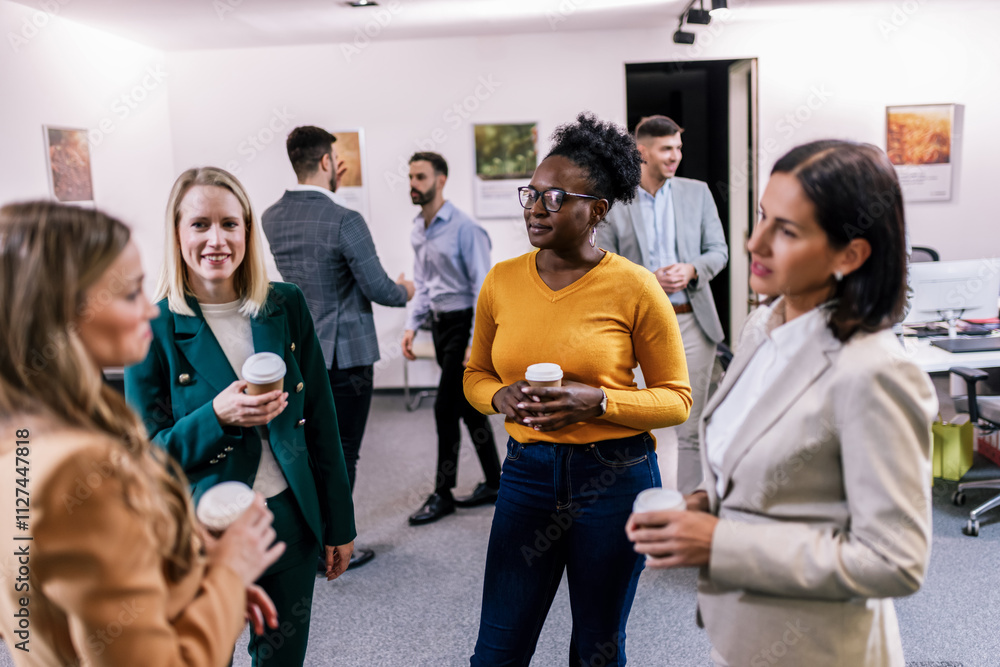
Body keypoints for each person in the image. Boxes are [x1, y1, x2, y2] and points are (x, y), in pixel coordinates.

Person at [626, 140, 937, 667]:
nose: (755, 242)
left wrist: (721, 543)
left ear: (851, 254)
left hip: (821, 646)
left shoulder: (875, 370)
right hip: (744, 631)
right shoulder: (762, 327)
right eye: (763, 217)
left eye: (787, 230)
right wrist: (705, 502)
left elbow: (895, 561)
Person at [0, 201, 284, 666]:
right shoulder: (76, 468)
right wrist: (231, 572)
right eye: (131, 293)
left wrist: (201, 583)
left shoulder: (26, 435)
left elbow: (47, 609)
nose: (148, 312)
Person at [464, 113, 693, 666]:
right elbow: (475, 376)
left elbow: (676, 399)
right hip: (526, 476)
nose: (535, 209)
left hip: (613, 477)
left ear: (597, 210)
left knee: (595, 647)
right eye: (532, 194)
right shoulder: (502, 281)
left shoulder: (634, 286)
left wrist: (601, 401)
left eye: (555, 197)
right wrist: (501, 397)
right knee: (497, 650)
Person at [125, 167, 356, 667]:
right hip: (199, 526)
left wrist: (340, 522)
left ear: (247, 232)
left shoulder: (285, 305)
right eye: (200, 224)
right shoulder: (153, 327)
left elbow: (320, 420)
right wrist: (218, 415)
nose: (216, 239)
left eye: (230, 224)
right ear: (177, 233)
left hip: (287, 521)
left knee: (282, 657)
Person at [263, 125, 414, 569]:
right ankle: (335, 542)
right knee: (343, 451)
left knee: (306, 449)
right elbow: (381, 288)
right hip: (346, 357)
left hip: (296, 355)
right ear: (328, 162)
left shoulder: (272, 216)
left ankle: (306, 538)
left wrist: (333, 188)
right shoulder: (346, 219)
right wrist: (406, 288)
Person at [598, 115, 729, 494]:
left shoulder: (697, 192)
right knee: (636, 422)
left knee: (691, 425)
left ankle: (687, 510)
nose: (676, 156)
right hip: (636, 328)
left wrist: (691, 269)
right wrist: (647, 280)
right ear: (643, 151)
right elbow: (604, 263)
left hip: (692, 322)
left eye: (679, 148)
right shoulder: (616, 198)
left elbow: (718, 252)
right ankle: (638, 505)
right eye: (667, 149)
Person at [403, 151, 503, 525]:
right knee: (468, 408)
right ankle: (496, 480)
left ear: (441, 180)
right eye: (411, 177)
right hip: (440, 323)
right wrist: (411, 326)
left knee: (445, 408)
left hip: (464, 324)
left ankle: (442, 493)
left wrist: (476, 343)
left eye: (421, 177)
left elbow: (484, 288)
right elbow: (424, 284)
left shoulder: (465, 228)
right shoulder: (419, 228)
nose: (414, 185)